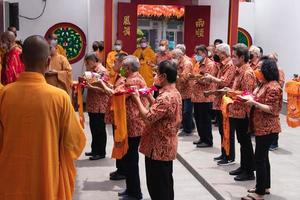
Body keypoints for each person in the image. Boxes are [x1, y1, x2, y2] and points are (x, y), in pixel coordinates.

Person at [0, 35, 86, 200]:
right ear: (48, 62)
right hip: (47, 180)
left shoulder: (4, 94)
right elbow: (75, 143)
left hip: (11, 181)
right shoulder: (60, 98)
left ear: (21, 59)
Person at [98, 56, 148, 200]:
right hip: (130, 124)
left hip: (133, 126)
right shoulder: (132, 78)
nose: (122, 69)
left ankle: (135, 192)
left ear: (130, 68)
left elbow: (117, 95)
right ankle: (130, 189)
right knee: (128, 158)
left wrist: (102, 85)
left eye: (124, 67)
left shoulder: (134, 80)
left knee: (131, 160)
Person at [132, 60, 182, 200]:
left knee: (158, 187)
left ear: (164, 76)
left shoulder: (166, 96)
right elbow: (160, 111)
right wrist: (148, 96)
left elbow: (148, 117)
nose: (154, 76)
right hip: (164, 145)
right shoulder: (173, 92)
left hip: (158, 147)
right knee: (165, 184)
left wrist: (136, 99)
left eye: (156, 74)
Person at [241, 58, 282, 200]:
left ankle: (259, 193)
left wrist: (254, 103)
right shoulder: (263, 84)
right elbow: (256, 97)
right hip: (260, 126)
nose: (257, 70)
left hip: (268, 128)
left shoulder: (274, 87)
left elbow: (273, 109)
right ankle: (264, 186)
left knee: (259, 159)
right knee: (263, 158)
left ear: (267, 70)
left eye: (260, 68)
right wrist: (248, 98)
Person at [203, 43, 237, 166]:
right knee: (222, 131)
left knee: (227, 130)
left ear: (223, 53)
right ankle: (224, 153)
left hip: (226, 101)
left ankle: (229, 156)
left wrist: (212, 78)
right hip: (219, 100)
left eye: (216, 52)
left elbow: (225, 82)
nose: (215, 54)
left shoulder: (230, 65)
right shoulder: (221, 65)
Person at [228, 44, 256, 181]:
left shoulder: (247, 73)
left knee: (245, 142)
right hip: (236, 111)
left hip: (244, 113)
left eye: (234, 56)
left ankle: (249, 171)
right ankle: (243, 166)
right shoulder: (239, 70)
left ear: (242, 57)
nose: (232, 59)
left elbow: (247, 95)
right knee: (241, 141)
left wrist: (230, 93)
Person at [84, 52, 110, 160]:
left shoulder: (102, 71)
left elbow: (105, 88)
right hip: (93, 104)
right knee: (93, 128)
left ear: (94, 61)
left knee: (99, 129)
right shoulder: (91, 71)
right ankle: (94, 150)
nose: (86, 64)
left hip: (100, 105)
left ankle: (101, 152)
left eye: (88, 62)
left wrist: (90, 86)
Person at [191, 45, 217, 147]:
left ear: (204, 53)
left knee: (205, 120)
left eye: (199, 53)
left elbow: (207, 80)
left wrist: (195, 78)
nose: (197, 55)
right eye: (196, 53)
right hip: (196, 96)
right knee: (198, 118)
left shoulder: (210, 64)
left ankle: (207, 140)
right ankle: (202, 137)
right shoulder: (198, 63)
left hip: (205, 97)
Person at [171, 48, 194, 136]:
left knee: (186, 111)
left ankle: (187, 129)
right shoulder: (178, 63)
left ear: (179, 56)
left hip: (188, 89)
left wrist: (174, 76)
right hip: (181, 89)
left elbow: (184, 78)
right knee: (184, 109)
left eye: (174, 57)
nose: (172, 59)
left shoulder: (186, 64)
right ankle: (190, 125)